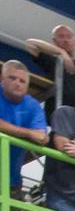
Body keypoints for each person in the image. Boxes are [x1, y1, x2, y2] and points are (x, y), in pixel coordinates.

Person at [0, 60, 49, 196]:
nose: (17, 83)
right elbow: (34, 134)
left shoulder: (32, 105)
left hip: (11, 182)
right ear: (2, 79)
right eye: (12, 78)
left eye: (22, 81)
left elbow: (41, 137)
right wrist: (27, 132)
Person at [25, 25, 75, 109]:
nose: (66, 40)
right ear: (54, 41)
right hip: (57, 116)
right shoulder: (52, 61)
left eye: (69, 37)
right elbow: (30, 44)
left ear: (74, 41)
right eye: (61, 37)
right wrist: (61, 52)